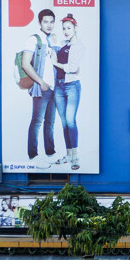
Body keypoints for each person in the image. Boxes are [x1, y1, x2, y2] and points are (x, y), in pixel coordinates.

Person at [23, 9, 58, 167]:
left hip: (55, 87)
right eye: (46, 21)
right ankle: (33, 155)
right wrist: (41, 82)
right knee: (37, 121)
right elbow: (25, 64)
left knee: (50, 122)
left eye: (51, 21)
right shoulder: (34, 39)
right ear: (39, 22)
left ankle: (50, 152)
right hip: (41, 88)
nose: (49, 25)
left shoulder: (55, 39)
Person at [51, 14, 83, 170]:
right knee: (64, 122)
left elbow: (73, 68)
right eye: (64, 28)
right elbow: (54, 43)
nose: (66, 31)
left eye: (69, 28)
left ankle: (75, 156)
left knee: (71, 120)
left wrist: (55, 62)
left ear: (75, 28)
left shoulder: (79, 46)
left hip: (72, 86)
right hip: (58, 86)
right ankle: (68, 155)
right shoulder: (63, 44)